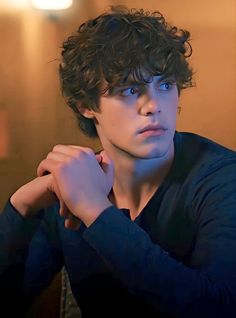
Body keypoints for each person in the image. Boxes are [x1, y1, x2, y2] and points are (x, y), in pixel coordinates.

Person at [1, 5, 236, 318]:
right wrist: (20, 207)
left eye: (165, 85)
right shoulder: (72, 182)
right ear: (86, 104)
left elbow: (217, 308)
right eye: (130, 89)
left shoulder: (223, 177)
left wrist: (94, 210)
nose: (153, 106)